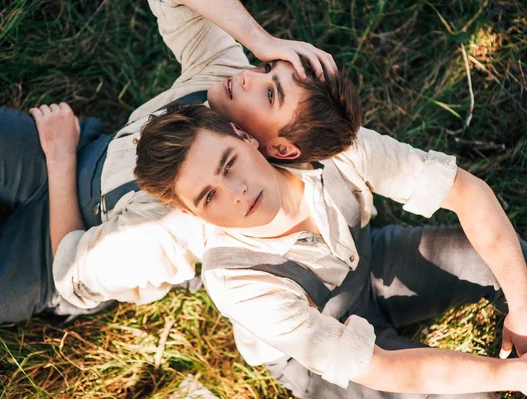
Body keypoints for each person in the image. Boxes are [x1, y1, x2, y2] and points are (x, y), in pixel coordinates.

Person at [0, 0, 338, 346]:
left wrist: (60, 161)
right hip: (80, 152)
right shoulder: (223, 76)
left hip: (56, 247)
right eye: (268, 67)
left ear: (267, 146)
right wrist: (260, 39)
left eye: (269, 91)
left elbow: (70, 270)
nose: (249, 73)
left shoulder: (179, 226)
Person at [134, 103, 527, 398]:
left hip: (370, 262)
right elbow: (380, 368)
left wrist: (522, 307)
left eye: (229, 163)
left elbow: (465, 191)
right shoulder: (235, 281)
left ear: (244, 136)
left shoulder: (324, 148)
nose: (236, 192)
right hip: (324, 352)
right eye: (209, 196)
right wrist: (508, 375)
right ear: (191, 212)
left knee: (516, 264)